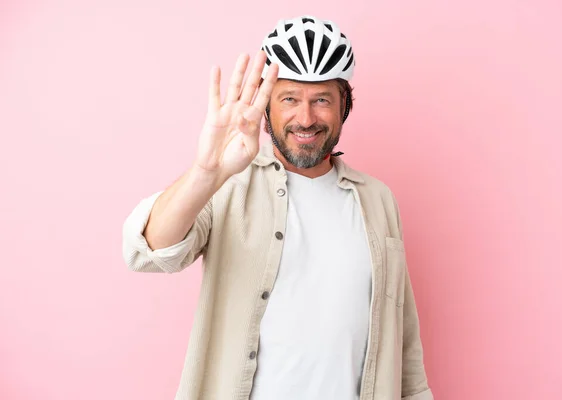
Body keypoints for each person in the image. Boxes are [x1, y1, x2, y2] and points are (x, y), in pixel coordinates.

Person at [122, 15, 433, 400]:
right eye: (289, 99)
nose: (306, 119)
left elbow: (404, 345)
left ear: (344, 107)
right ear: (266, 106)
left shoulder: (378, 199)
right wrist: (206, 172)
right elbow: (147, 253)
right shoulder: (228, 185)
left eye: (322, 100)